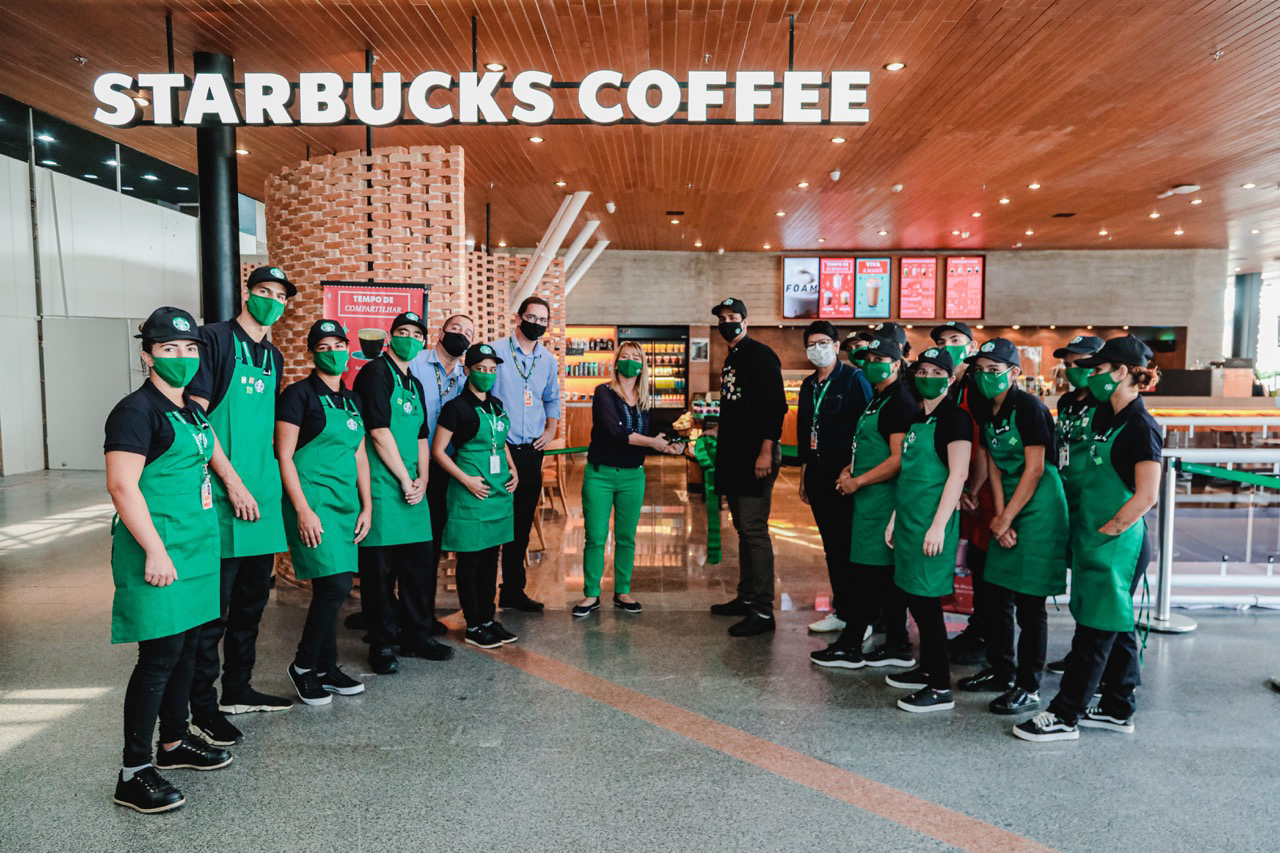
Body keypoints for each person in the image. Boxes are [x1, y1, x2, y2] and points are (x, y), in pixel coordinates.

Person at [106, 307, 233, 814]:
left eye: (189, 349)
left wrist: (236, 483)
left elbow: (210, 456)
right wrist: (155, 550)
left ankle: (174, 744)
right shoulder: (136, 412)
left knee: (185, 649)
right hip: (158, 551)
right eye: (168, 349)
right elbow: (121, 485)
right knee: (158, 657)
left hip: (196, 548)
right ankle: (133, 772)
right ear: (147, 355)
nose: (181, 357)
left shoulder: (192, 410)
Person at [1015, 335, 1162, 741]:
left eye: (1098, 370)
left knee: (1094, 630)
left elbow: (1147, 494)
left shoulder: (1140, 425)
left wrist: (1107, 534)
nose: (1090, 376)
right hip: (1095, 538)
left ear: (1121, 372)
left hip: (1117, 544)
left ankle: (1065, 714)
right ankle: (1118, 705)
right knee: (1115, 624)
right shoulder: (1104, 416)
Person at [187, 265, 296, 745]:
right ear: (248, 294)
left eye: (280, 295)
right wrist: (231, 483)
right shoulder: (213, 341)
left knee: (253, 601)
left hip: (263, 494)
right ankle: (201, 707)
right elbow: (196, 417)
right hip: (224, 494)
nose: (271, 300)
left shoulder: (273, 356)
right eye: (264, 292)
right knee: (215, 609)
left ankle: (239, 689)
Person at [959, 338, 1069, 715]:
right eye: (980, 370)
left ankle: (1029, 685)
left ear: (1014, 373)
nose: (986, 377)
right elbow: (990, 465)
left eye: (994, 370)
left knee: (1029, 603)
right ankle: (1001, 670)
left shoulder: (1030, 408)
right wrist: (998, 517)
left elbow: (1035, 469)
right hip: (1009, 499)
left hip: (1039, 507)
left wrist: (1007, 518)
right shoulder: (987, 408)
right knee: (996, 595)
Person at [277, 320, 372, 706]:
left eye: (339, 344)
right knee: (335, 587)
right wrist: (302, 509)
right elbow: (283, 455)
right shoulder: (298, 395)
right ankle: (303, 666)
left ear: (348, 349)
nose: (333, 351)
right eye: (324, 345)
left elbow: (359, 454)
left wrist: (367, 505)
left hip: (345, 503)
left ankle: (326, 668)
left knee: (332, 588)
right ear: (311, 352)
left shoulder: (351, 400)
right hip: (313, 501)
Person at [353, 311, 451, 676]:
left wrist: (423, 479)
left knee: (419, 568)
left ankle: (417, 635)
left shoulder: (415, 382)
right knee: (379, 574)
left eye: (415, 333)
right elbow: (378, 432)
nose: (409, 338)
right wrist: (404, 479)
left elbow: (423, 435)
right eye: (402, 332)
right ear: (390, 337)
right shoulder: (375, 373)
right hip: (382, 486)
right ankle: (381, 643)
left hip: (414, 489)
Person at [810, 335, 915, 668]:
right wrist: (848, 469)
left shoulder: (899, 401)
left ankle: (852, 644)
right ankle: (896, 642)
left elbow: (898, 459)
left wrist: (859, 481)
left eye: (879, 359)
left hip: (883, 501)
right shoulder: (878, 398)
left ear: (896, 363)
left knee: (868, 576)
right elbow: (868, 446)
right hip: (868, 499)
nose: (871, 365)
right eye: (867, 359)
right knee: (879, 577)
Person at [885, 347, 974, 712]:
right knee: (913, 599)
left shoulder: (956, 419)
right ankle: (926, 671)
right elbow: (907, 474)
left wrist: (939, 526)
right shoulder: (917, 418)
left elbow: (958, 474)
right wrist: (894, 517)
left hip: (931, 525)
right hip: (908, 521)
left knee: (927, 603)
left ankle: (939, 687)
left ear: (950, 379)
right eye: (922, 370)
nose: (928, 376)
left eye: (937, 371)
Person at [574, 342, 682, 617]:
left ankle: (622, 591)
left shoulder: (644, 398)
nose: (631, 361)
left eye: (636, 357)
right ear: (616, 361)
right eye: (626, 357)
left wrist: (670, 446)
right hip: (600, 475)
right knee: (596, 537)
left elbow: (650, 435)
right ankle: (591, 594)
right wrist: (654, 444)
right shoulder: (604, 393)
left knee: (626, 537)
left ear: (643, 365)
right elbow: (616, 431)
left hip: (633, 477)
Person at [707, 297, 789, 637]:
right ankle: (746, 596)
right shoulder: (732, 358)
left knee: (754, 528)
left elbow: (777, 406)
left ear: (745, 320)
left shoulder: (760, 354)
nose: (728, 322)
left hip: (757, 457)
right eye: (723, 318)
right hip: (735, 456)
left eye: (733, 316)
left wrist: (766, 450)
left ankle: (763, 609)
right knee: (742, 527)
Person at [433, 343, 520, 649]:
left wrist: (513, 467)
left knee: (490, 559)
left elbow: (501, 440)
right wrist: (466, 479)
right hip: (471, 494)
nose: (487, 374)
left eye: (492, 370)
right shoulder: (455, 408)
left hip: (497, 492)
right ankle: (474, 624)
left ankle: (488, 618)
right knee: (471, 561)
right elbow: (438, 451)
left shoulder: (495, 404)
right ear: (467, 370)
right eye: (481, 369)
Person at [798, 321, 873, 633]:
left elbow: (868, 428)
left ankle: (863, 616)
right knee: (832, 547)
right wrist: (803, 477)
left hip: (846, 477)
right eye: (812, 343)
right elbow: (805, 433)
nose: (818, 348)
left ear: (837, 346)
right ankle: (842, 610)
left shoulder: (854, 378)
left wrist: (855, 470)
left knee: (851, 547)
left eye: (824, 342)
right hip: (817, 476)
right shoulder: (808, 384)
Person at [930, 320, 994, 667]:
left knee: (985, 562)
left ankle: (987, 637)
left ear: (972, 345)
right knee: (972, 559)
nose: (948, 345)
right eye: (942, 340)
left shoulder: (978, 385)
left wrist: (974, 487)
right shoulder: (952, 386)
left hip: (982, 490)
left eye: (955, 339)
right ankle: (977, 627)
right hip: (963, 488)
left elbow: (984, 443)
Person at [491, 297, 560, 613]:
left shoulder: (547, 360)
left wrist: (550, 431)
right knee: (493, 523)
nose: (537, 323)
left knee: (521, 526)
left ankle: (513, 591)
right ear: (517, 318)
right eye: (531, 317)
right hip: (495, 449)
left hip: (531, 452)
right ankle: (481, 595)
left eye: (543, 319)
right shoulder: (496, 352)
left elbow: (551, 399)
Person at [408, 313, 476, 633]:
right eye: (455, 329)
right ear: (440, 331)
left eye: (467, 333)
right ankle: (404, 614)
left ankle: (423, 614)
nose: (460, 336)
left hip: (447, 467)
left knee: (433, 544)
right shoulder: (416, 363)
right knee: (411, 544)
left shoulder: (466, 377)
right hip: (411, 465)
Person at [1045, 334, 1104, 673]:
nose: (1073, 370)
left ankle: (1093, 661)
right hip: (1066, 501)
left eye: (1081, 363)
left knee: (1093, 587)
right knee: (1077, 584)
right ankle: (1080, 655)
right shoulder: (1067, 403)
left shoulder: (1106, 404)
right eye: (1068, 364)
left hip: (1094, 503)